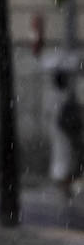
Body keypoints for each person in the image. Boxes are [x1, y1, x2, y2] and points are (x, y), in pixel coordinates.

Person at [52, 70, 83, 198]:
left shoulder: (65, 96)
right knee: (71, 161)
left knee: (71, 161)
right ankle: (71, 185)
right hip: (70, 134)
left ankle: (70, 185)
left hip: (70, 134)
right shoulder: (66, 97)